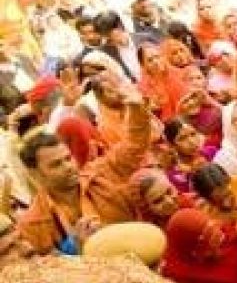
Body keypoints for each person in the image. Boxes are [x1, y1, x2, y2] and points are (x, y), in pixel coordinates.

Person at [15, 74, 150, 254]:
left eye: (67, 158)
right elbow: (44, 269)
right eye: (56, 164)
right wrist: (79, 253)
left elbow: (133, 147)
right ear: (35, 174)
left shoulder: (99, 174)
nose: (68, 166)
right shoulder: (33, 224)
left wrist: (136, 109)